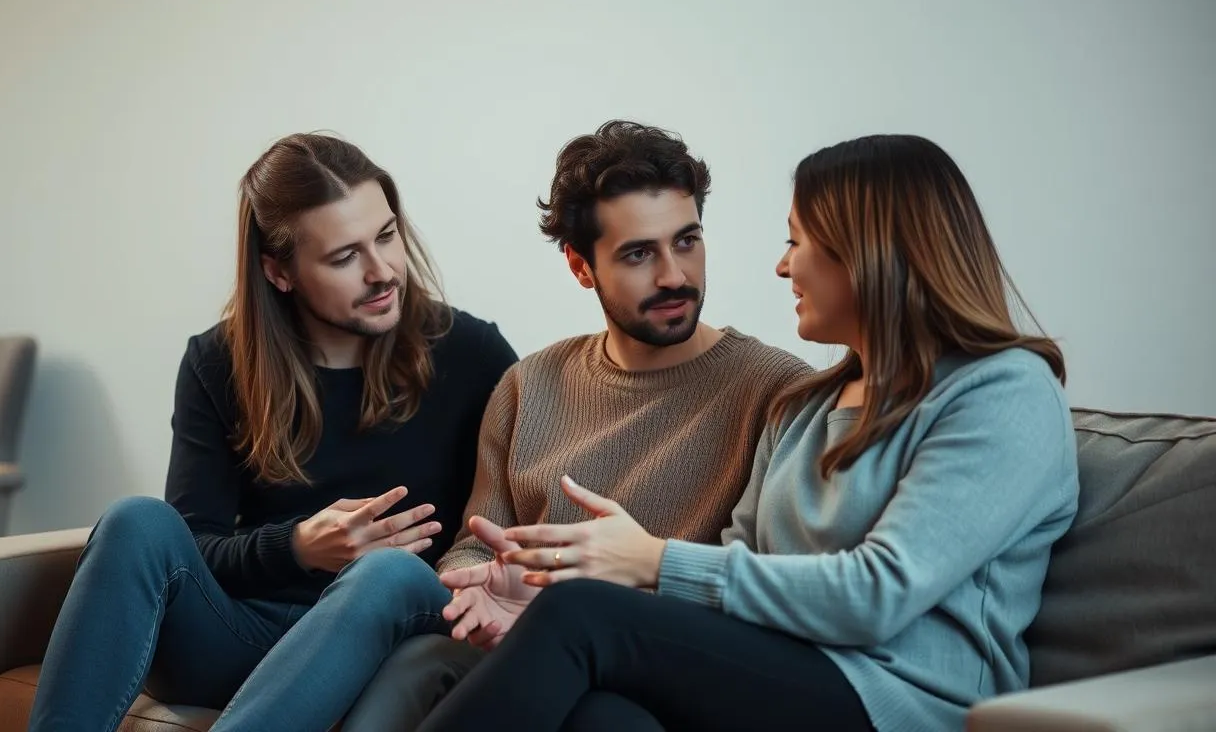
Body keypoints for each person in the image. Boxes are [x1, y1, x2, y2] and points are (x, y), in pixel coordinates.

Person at [412, 134, 1082, 732]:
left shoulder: (1002, 391)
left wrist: (651, 561)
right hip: (776, 674)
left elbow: (877, 595)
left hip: (905, 702)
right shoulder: (805, 407)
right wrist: (548, 588)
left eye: (796, 241)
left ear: (865, 252)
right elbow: (734, 576)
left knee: (582, 617)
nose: (783, 268)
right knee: (602, 715)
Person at [25, 132, 519, 731]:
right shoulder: (218, 363)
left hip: (392, 643)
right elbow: (198, 543)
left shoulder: (471, 353)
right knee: (136, 520)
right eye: (344, 257)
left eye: (386, 235)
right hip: (246, 637)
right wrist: (299, 546)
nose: (382, 271)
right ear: (279, 272)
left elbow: (519, 522)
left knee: (387, 572)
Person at [338, 119, 814, 731]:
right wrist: (478, 587)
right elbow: (477, 541)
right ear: (580, 266)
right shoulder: (529, 384)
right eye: (639, 253)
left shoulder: (778, 391)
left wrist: (587, 603)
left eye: (687, 240)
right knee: (420, 659)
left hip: (664, 677)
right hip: (525, 650)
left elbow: (766, 586)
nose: (674, 275)